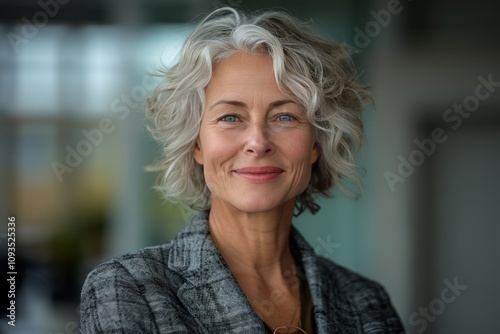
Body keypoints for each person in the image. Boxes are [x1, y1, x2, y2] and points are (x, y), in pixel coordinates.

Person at [80, 7, 405, 334]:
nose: (258, 142)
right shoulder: (129, 289)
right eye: (230, 117)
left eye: (285, 117)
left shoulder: (367, 303)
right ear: (196, 144)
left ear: (316, 143)